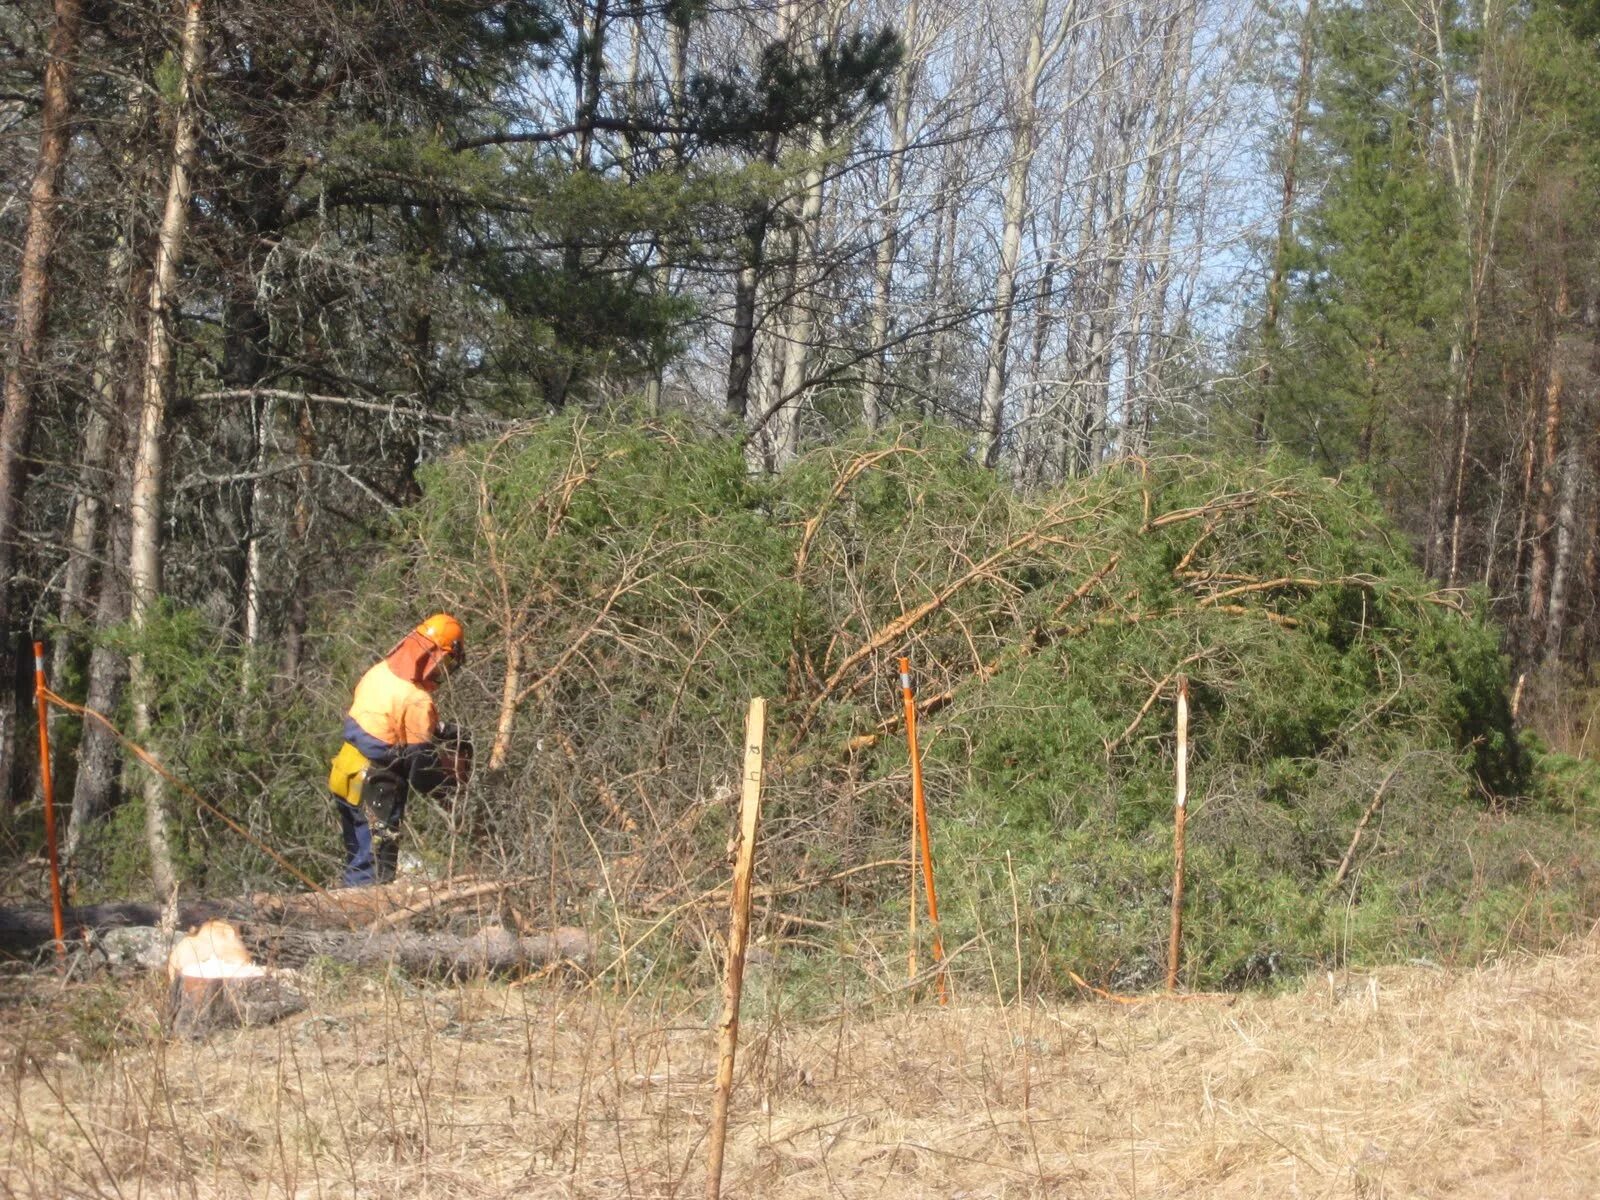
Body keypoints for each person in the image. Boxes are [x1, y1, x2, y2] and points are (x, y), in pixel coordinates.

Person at [327, 613, 468, 886]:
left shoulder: (378, 672)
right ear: (434, 656)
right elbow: (420, 774)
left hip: (345, 771)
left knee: (357, 857)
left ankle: (347, 914)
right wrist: (450, 784)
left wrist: (438, 729)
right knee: (375, 870)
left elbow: (385, 718)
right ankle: (366, 923)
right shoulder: (417, 700)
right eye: (446, 661)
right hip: (376, 786)